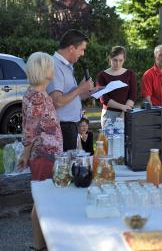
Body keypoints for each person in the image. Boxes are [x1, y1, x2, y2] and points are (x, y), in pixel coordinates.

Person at [17, 52, 63, 251]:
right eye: (51, 66)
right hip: (43, 155)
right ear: (45, 71)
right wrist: (25, 154)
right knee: (42, 200)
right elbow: (30, 131)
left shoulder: (37, 93)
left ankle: (43, 242)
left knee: (43, 198)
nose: (53, 70)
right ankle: (38, 245)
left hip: (47, 154)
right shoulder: (37, 97)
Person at [47, 29, 94, 151]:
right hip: (62, 128)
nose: (83, 53)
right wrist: (79, 89)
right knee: (66, 168)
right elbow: (56, 101)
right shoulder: (55, 65)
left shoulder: (67, 66)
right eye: (82, 49)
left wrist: (87, 92)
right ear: (72, 48)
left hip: (70, 127)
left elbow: (70, 97)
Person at [96, 46, 137, 128]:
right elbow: (104, 99)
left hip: (126, 113)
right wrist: (122, 107)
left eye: (120, 60)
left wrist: (124, 112)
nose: (118, 63)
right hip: (109, 114)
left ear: (124, 60)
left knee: (126, 140)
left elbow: (132, 96)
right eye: (115, 60)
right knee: (109, 140)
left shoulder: (130, 74)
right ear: (110, 58)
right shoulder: (102, 75)